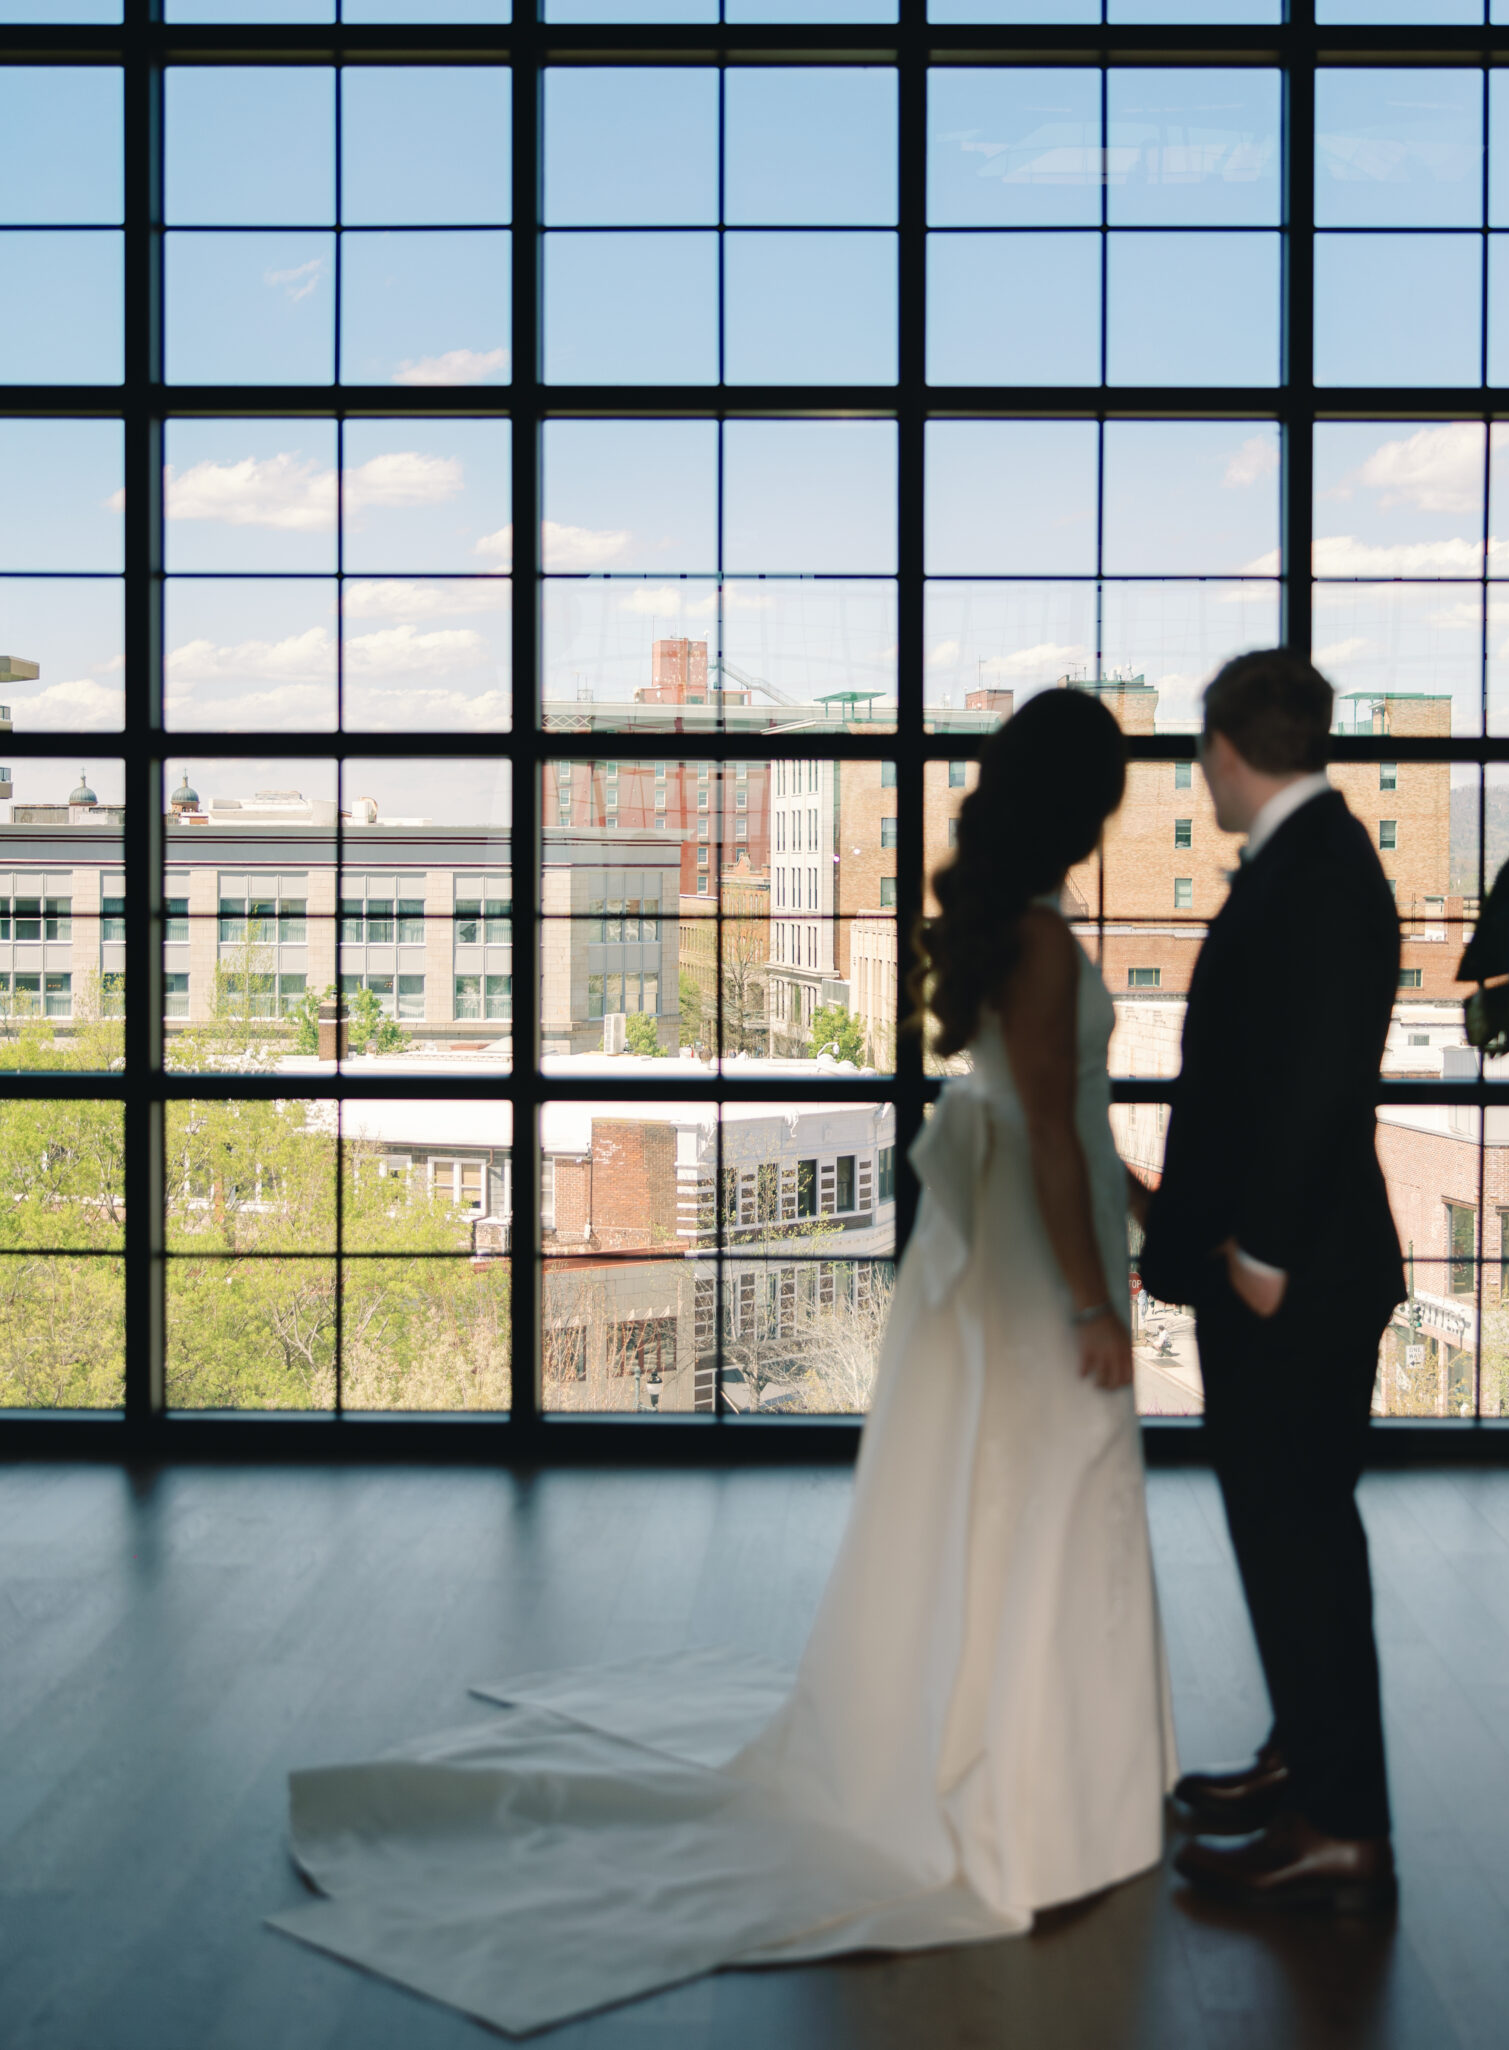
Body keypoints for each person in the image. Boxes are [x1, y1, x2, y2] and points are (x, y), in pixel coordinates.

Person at [269, 688, 1176, 2036]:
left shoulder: (1010, 936)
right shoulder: (1041, 943)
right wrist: (1100, 1302)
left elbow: (1045, 1118)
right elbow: (1051, 1132)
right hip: (1042, 1269)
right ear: (1083, 809)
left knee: (1011, 1500)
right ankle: (1038, 1790)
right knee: (1047, 1498)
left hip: (993, 1255)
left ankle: (1018, 1756)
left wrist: (1139, 1195)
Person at [1138, 648, 1403, 1914]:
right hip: (1282, 1267)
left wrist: (1258, 1255)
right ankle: (1305, 1760)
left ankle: (1340, 1825)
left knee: (1296, 1540)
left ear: (1225, 751)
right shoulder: (1318, 863)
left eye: (1201, 756)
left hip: (1290, 1278)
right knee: (1284, 1532)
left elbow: (1311, 1086)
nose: (1202, 777)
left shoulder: (1315, 878)